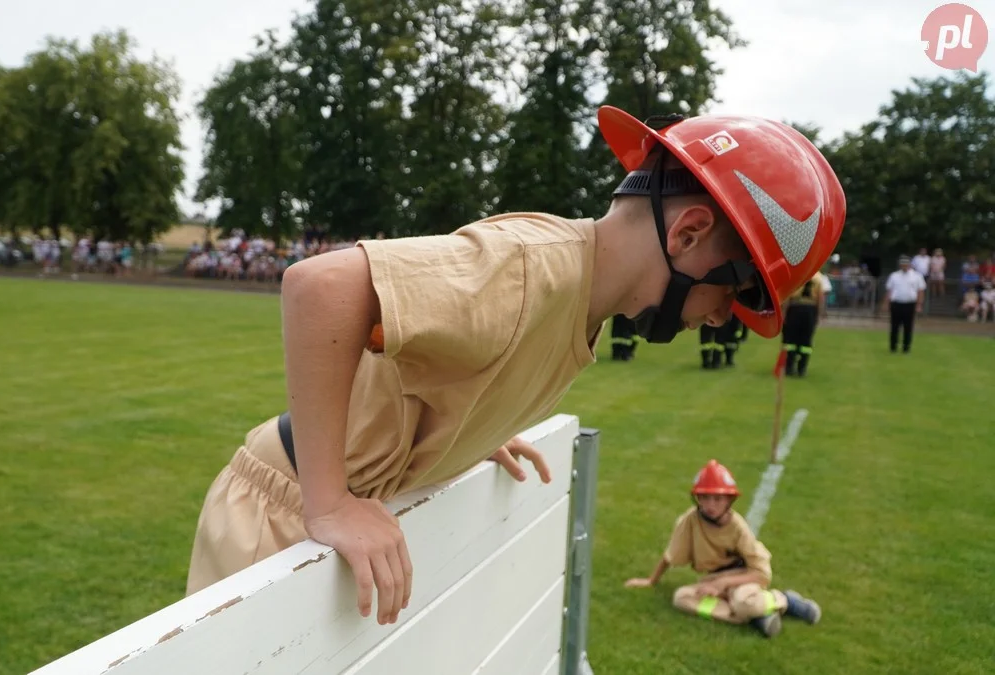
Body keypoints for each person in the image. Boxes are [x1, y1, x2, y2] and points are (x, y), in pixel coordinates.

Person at [183, 106, 847, 626]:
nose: (727, 317)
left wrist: (469, 419)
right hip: (284, 513)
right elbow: (319, 288)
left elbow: (454, 359)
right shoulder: (534, 271)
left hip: (330, 520)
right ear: (688, 233)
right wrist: (328, 503)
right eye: (733, 290)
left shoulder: (581, 298)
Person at [624, 460, 822, 638]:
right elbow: (671, 554)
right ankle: (754, 617)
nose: (710, 505)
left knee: (744, 601)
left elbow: (761, 573)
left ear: (729, 500)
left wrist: (725, 583)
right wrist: (651, 580)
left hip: (743, 576)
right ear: (697, 498)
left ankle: (785, 600)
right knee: (681, 598)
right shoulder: (690, 521)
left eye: (717, 499)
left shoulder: (738, 527)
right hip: (714, 578)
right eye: (705, 498)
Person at [781, 269, 830, 377]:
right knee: (806, 340)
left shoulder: (796, 273)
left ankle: (789, 368)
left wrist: (784, 312)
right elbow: (820, 297)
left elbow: (788, 295)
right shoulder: (819, 277)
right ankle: (801, 369)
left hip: (795, 308)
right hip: (810, 309)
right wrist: (818, 314)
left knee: (791, 340)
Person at [883, 255, 925, 354]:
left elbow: (920, 291)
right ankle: (893, 347)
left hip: (909, 304)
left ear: (909, 265)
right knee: (894, 326)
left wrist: (919, 304)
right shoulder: (894, 275)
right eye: (902, 264)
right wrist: (886, 303)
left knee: (908, 327)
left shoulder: (917, 276)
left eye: (906, 264)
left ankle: (906, 348)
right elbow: (889, 290)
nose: (904, 266)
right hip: (896, 303)